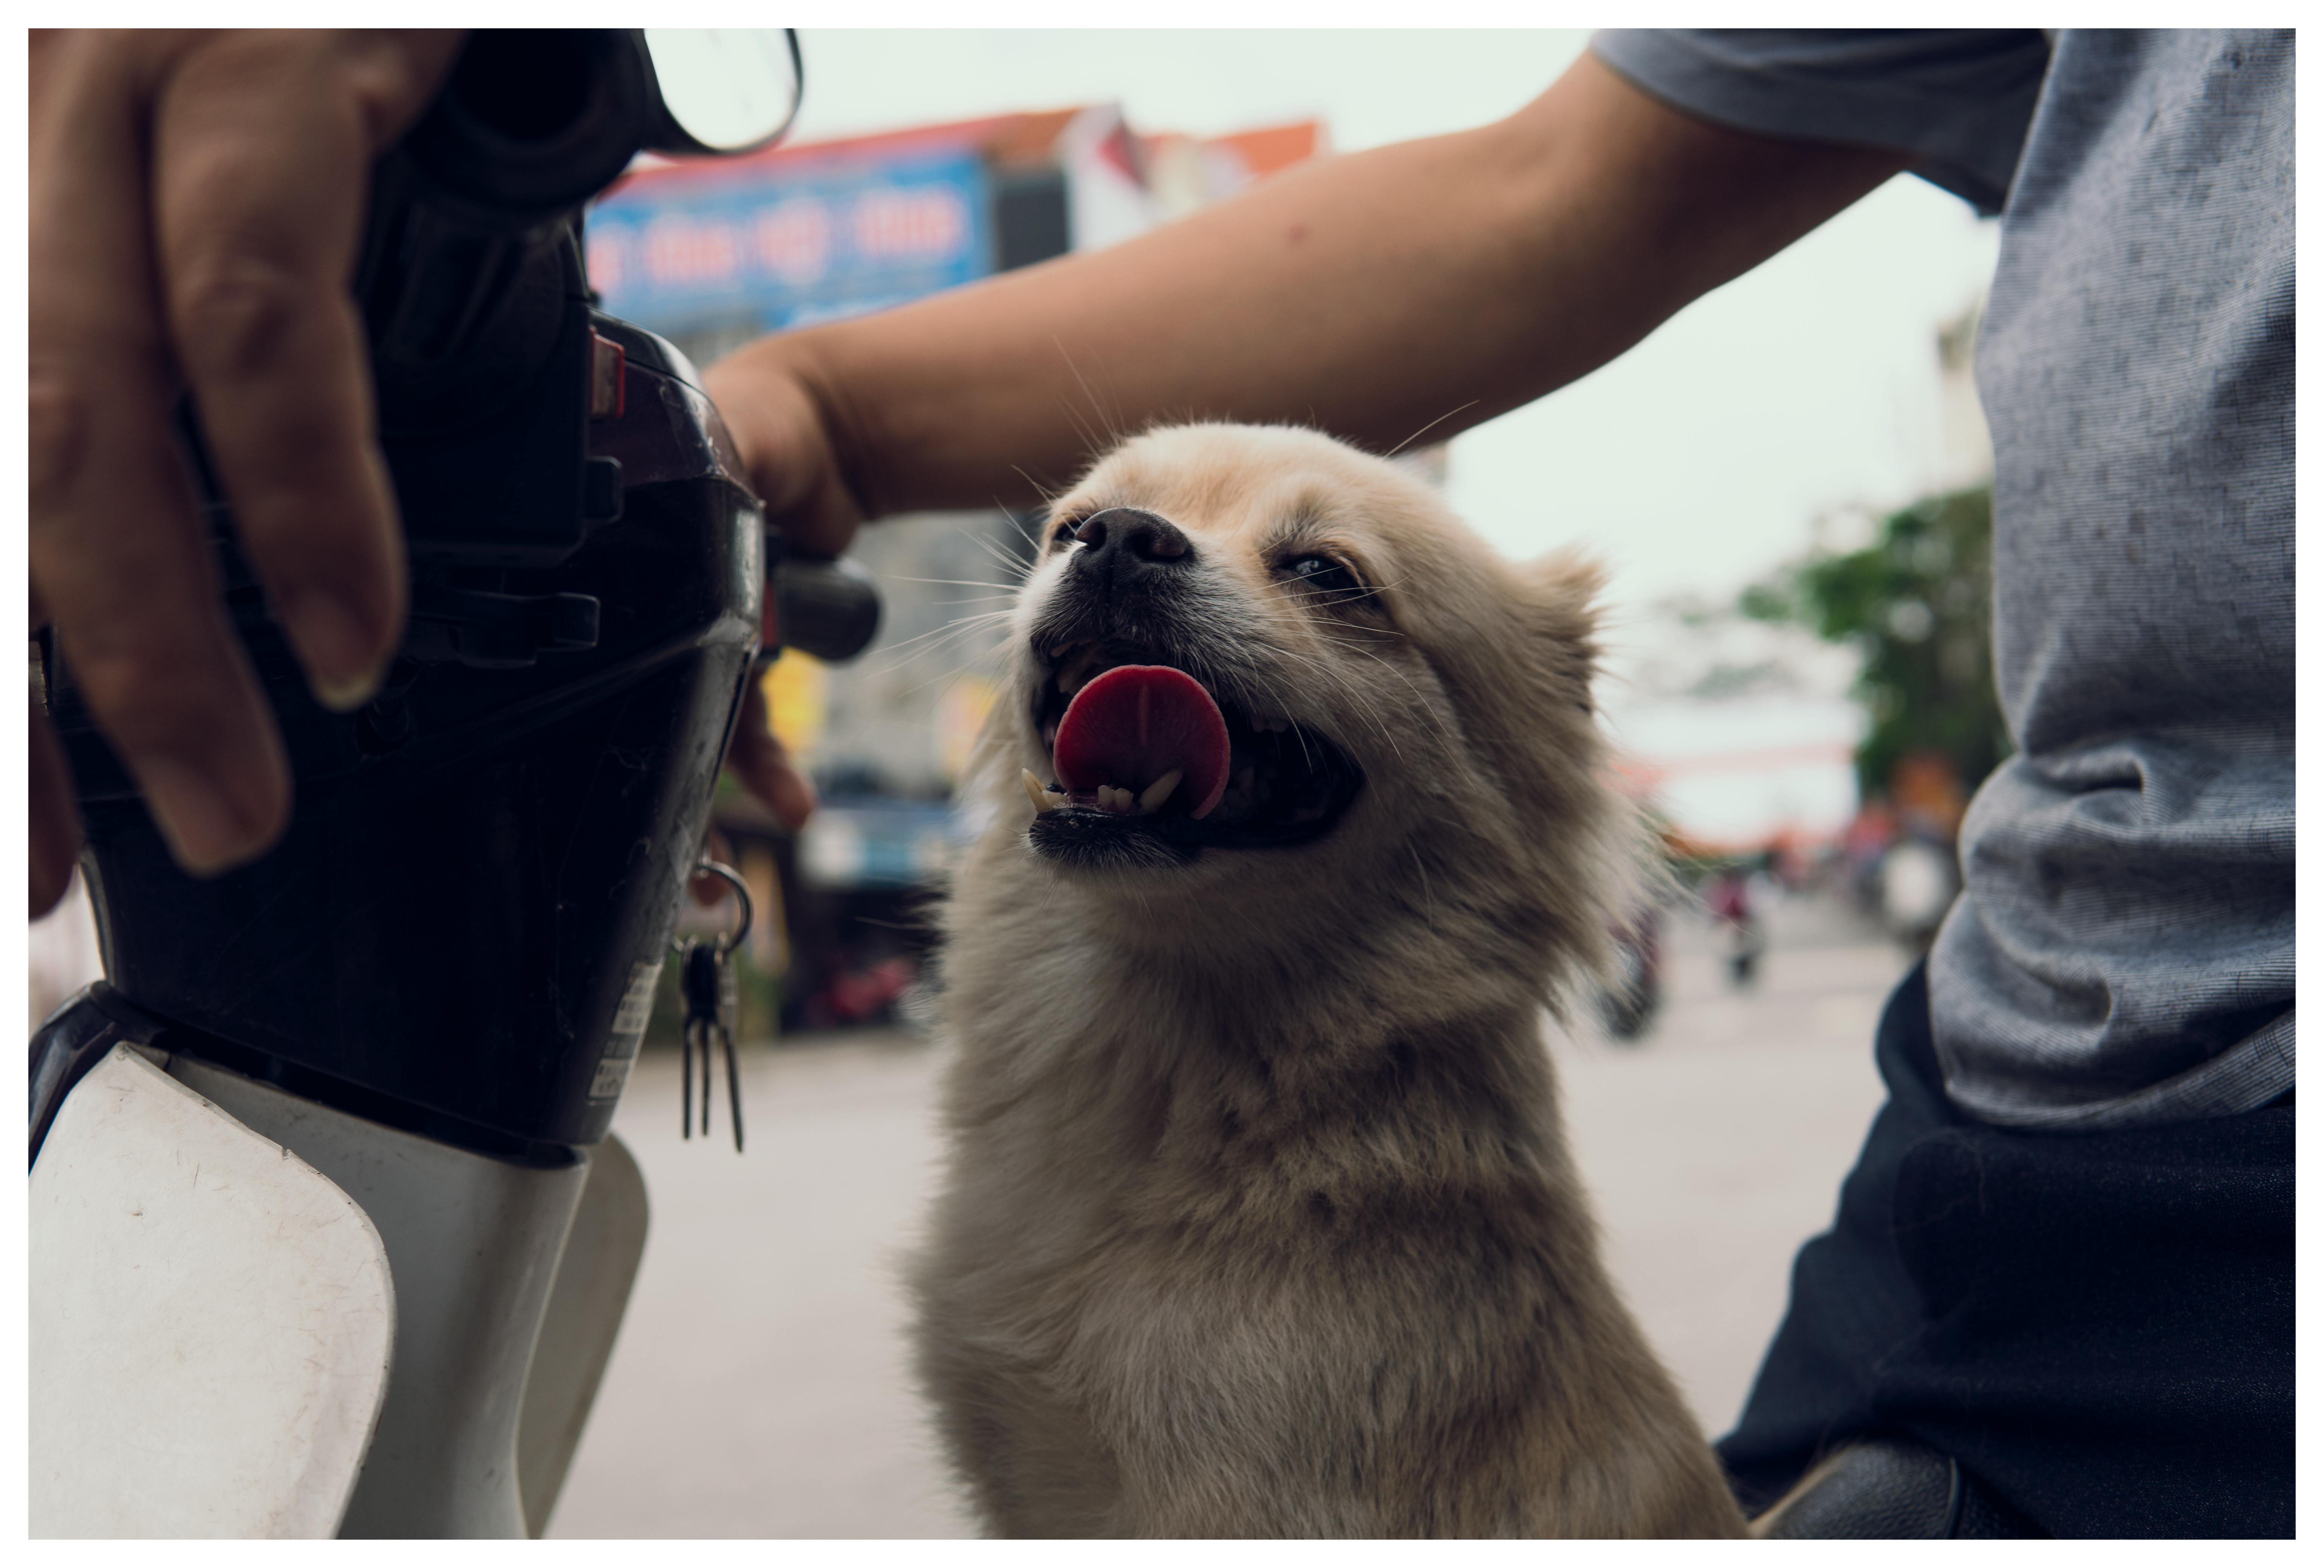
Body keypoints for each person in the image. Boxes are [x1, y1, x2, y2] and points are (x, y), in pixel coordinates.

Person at [28, 28, 2291, 1536]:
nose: (1123, 558)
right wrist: (776, 421)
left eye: (1323, 574)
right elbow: (1558, 190)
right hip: (2019, 1136)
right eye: (1090, 533)